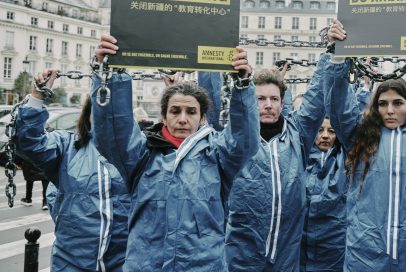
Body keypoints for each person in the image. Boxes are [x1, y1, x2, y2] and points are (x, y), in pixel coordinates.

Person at [92, 35, 259, 271]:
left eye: (191, 111)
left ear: (202, 118)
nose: (182, 118)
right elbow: (112, 131)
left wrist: (242, 86)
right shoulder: (141, 154)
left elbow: (245, 141)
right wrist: (111, 73)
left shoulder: (218, 155)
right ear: (164, 116)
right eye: (175, 111)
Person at [324, 11, 406, 270]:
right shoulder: (360, 137)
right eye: (383, 104)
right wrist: (337, 56)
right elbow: (338, 106)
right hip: (367, 251)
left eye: (398, 103)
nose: (390, 110)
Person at [224, 53, 329, 271]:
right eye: (260, 99)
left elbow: (316, 98)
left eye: (274, 99)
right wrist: (242, 84)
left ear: (283, 103)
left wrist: (331, 54)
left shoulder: (297, 135)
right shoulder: (237, 139)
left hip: (286, 252)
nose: (268, 105)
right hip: (242, 254)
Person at [15, 74, 131, 271]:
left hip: (123, 262)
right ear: (88, 113)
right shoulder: (66, 145)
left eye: (113, 111)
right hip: (72, 261)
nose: (106, 117)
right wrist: (37, 96)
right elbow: (30, 142)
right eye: (100, 109)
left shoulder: (135, 151)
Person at [301, 117, 347, 271]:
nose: (325, 135)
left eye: (331, 131)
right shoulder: (300, 158)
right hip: (301, 244)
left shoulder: (345, 160)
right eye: (320, 130)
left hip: (334, 246)